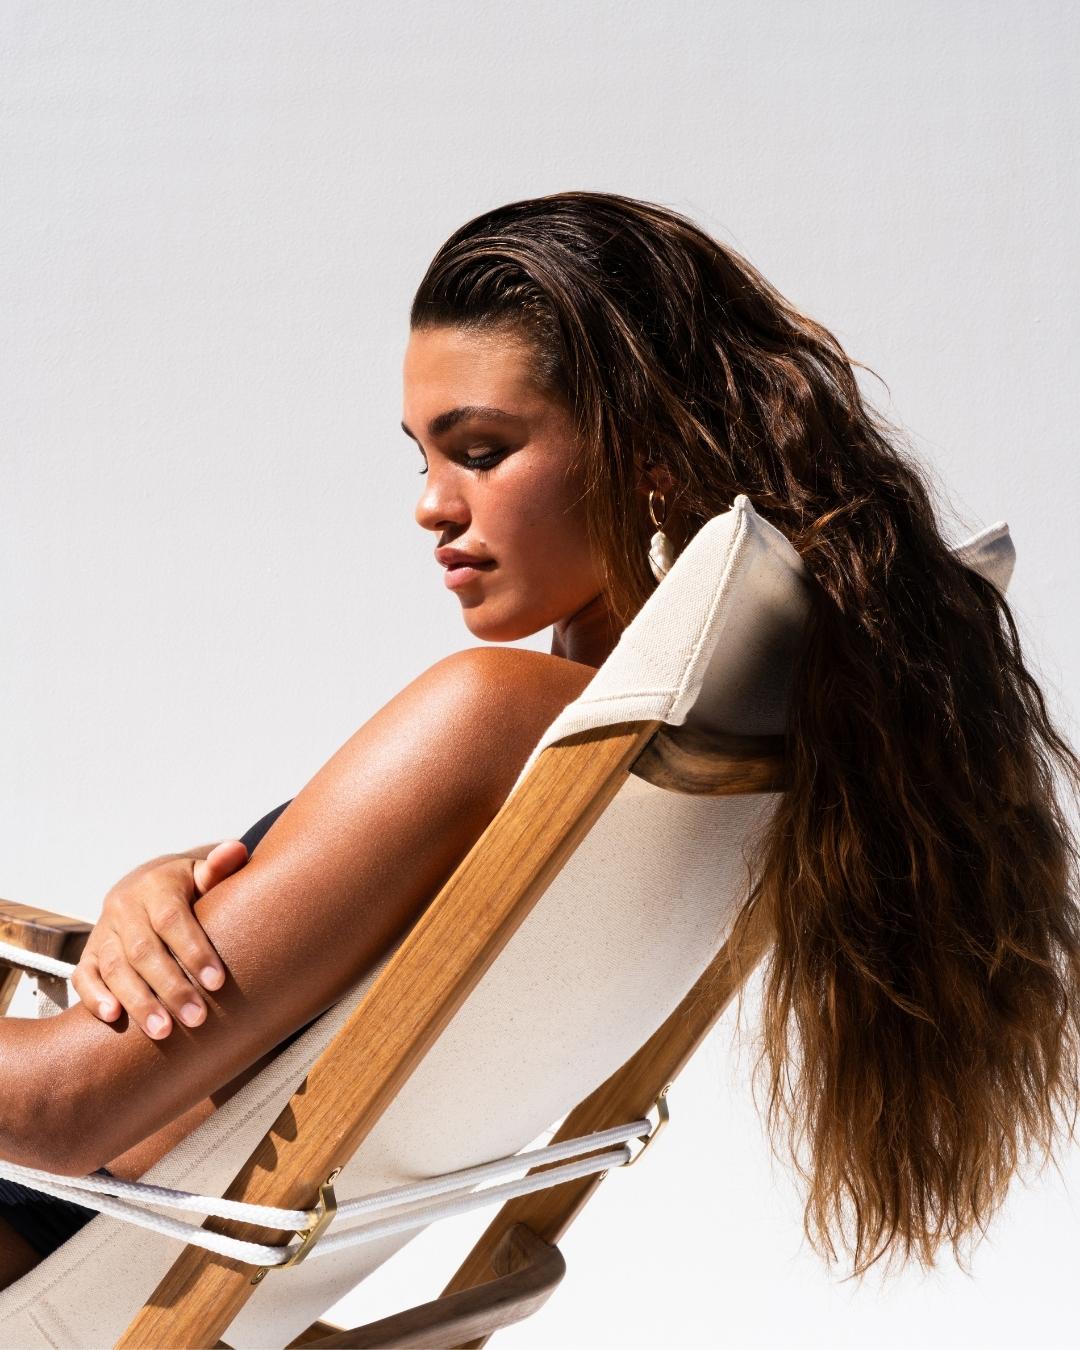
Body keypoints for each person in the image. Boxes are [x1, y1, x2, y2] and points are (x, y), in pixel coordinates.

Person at [3, 191, 1080, 1293]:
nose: (432, 505)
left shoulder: (492, 717)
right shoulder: (666, 760)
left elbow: (54, 1108)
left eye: (480, 451)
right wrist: (188, 886)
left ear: (652, 456)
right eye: (424, 457)